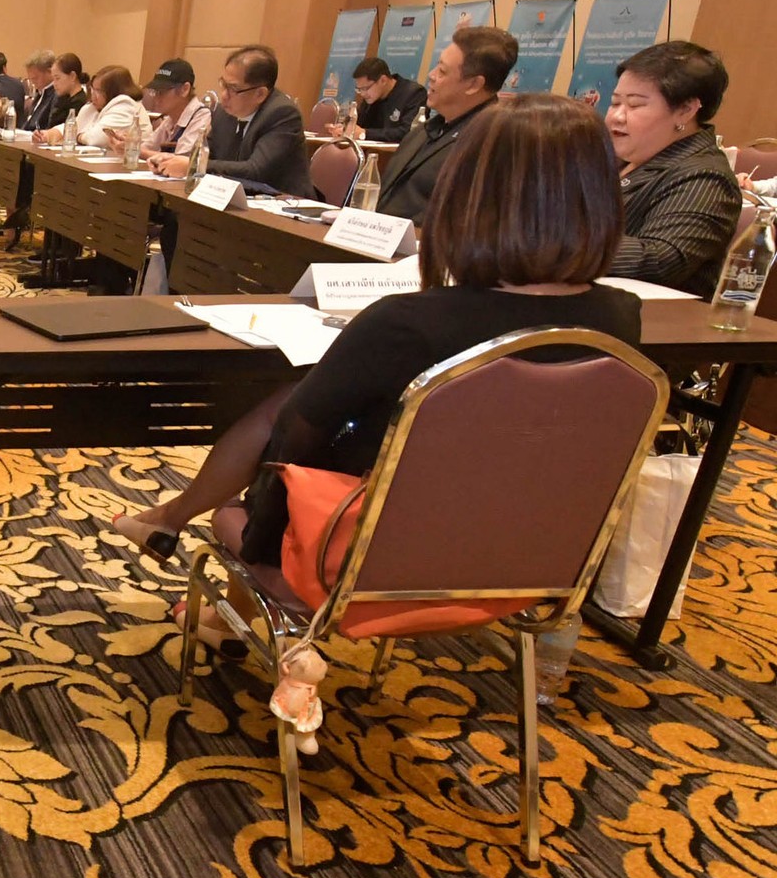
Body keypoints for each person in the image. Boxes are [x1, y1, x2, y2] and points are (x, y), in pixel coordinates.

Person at [109, 95, 640, 580]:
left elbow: (294, 445)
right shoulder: (620, 318)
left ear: (468, 195)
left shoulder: (408, 322)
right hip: (526, 557)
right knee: (295, 405)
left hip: (370, 554)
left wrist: (260, 537)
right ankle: (182, 540)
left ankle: (206, 549)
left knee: (280, 431)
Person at [606, 41, 739, 296]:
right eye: (614, 103)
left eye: (634, 105)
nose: (617, 116)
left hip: (655, 315)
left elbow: (661, 258)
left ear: (685, 110)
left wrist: (558, 246)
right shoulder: (610, 158)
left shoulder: (705, 176)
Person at [374, 26, 516, 223]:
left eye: (442, 71)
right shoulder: (423, 132)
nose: (431, 75)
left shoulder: (492, 145)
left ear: (474, 84)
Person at [151, 45, 313, 197]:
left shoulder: (282, 114)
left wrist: (192, 166)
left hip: (284, 204)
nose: (223, 95)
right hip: (233, 197)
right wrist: (170, 160)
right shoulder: (223, 112)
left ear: (260, 94)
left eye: (233, 89)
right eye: (223, 84)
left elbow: (255, 171)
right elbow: (207, 155)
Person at [44, 64, 151, 148]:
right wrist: (48, 134)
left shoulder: (125, 105)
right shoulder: (95, 107)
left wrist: (77, 136)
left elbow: (96, 139)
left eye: (99, 91)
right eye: (92, 89)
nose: (93, 96)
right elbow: (74, 124)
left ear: (114, 91)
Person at [335, 57, 425, 144]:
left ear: (383, 80)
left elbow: (409, 132)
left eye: (365, 88)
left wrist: (364, 134)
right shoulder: (371, 97)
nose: (362, 94)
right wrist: (345, 129)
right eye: (359, 89)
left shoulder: (414, 94)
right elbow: (358, 124)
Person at [141, 58, 213, 161]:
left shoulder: (201, 116)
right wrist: (128, 145)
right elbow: (147, 147)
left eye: (162, 91)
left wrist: (136, 150)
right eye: (155, 91)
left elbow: (181, 160)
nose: (156, 97)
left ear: (184, 89)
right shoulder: (170, 118)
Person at [22, 51, 64, 132]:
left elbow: (48, 126)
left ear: (50, 72)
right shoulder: (40, 93)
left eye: (35, 78)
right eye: (30, 79)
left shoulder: (57, 94)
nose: (32, 82)